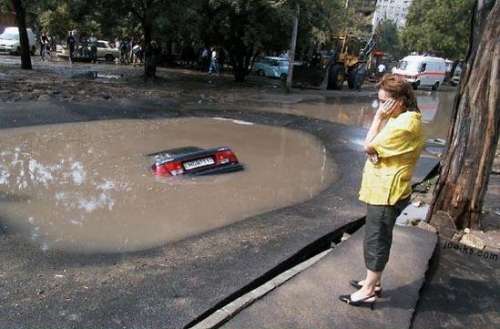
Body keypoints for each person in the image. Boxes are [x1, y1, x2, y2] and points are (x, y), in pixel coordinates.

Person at [338, 74, 424, 308]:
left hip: (387, 192)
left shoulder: (405, 124)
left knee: (376, 239)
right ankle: (372, 282)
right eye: (380, 101)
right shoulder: (403, 117)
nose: (381, 106)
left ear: (400, 100)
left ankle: (368, 291)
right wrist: (375, 151)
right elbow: (374, 150)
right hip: (384, 187)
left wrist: (377, 118)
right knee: (376, 235)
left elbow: (368, 145)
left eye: (384, 101)